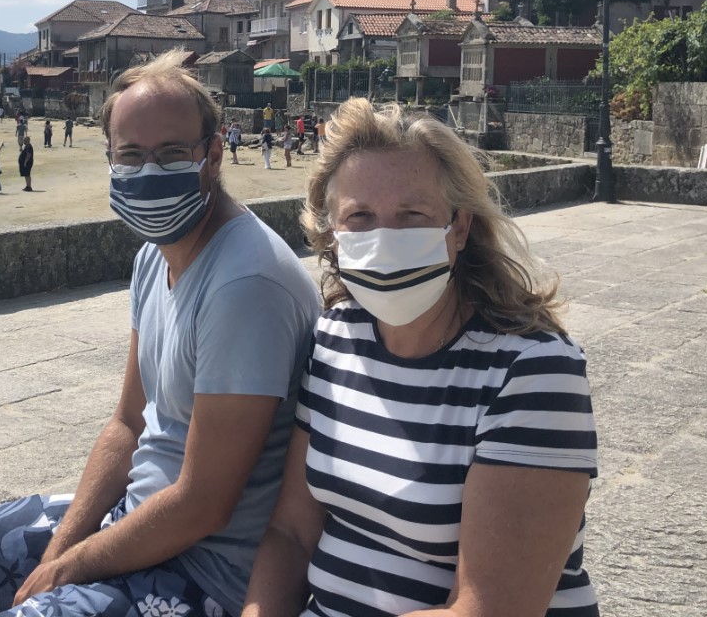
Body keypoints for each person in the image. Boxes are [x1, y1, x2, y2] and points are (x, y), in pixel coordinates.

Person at [0, 49, 321, 617]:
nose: (149, 171)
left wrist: (68, 567)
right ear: (110, 159)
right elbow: (128, 423)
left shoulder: (246, 284)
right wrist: (63, 547)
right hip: (140, 517)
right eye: (131, 155)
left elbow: (204, 504)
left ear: (213, 155)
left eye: (172, 153)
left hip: (207, 569)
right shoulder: (155, 254)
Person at [242, 99, 598, 617]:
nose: (385, 238)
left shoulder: (534, 372)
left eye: (413, 215)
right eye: (360, 216)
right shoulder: (336, 338)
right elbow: (291, 532)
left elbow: (486, 609)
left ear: (459, 228)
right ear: (332, 234)